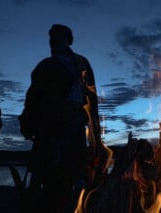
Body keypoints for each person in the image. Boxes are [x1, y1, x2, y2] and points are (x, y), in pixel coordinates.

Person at [18, 24, 106, 213]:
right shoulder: (45, 66)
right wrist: (28, 123)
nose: (53, 42)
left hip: (73, 126)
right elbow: (32, 98)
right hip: (50, 127)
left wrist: (96, 134)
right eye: (51, 38)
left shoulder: (81, 64)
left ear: (68, 40)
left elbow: (92, 97)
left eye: (57, 37)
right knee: (50, 175)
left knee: (72, 172)